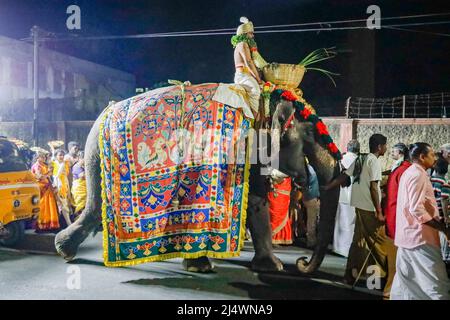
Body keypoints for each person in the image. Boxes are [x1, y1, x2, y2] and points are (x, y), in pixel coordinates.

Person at [391, 143, 450, 300]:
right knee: (436, 284)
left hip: (407, 236)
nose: (434, 157)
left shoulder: (409, 172)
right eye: (431, 154)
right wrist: (442, 227)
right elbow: (416, 209)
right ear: (422, 157)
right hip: (420, 238)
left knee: (405, 284)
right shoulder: (418, 175)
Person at [345, 134, 396, 298]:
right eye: (386, 146)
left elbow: (345, 175)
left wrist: (330, 186)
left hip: (359, 205)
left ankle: (352, 274)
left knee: (359, 239)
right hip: (369, 207)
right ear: (380, 146)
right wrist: (379, 211)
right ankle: (389, 280)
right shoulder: (373, 161)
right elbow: (374, 187)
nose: (387, 149)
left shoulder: (361, 157)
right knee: (381, 242)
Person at [332, 139, 360, 257]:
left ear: (347, 148)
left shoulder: (341, 159)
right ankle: (348, 249)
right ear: (358, 149)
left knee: (340, 221)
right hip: (354, 195)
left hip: (342, 194)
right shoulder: (358, 160)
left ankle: (337, 247)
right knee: (351, 223)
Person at [232, 17, 263, 120]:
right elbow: (249, 63)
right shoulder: (243, 44)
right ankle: (252, 120)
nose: (252, 36)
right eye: (250, 33)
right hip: (243, 76)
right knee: (256, 90)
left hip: (245, 75)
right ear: (245, 34)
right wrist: (258, 79)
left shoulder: (241, 45)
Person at [384, 143, 411, 240]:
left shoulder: (403, 168)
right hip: (393, 202)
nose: (391, 153)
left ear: (399, 152)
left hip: (397, 203)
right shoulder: (399, 166)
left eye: (393, 151)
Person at [31, 149, 60, 231]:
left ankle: (49, 224)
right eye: (42, 157)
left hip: (47, 186)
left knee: (50, 205)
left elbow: (48, 177)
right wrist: (49, 173)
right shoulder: (37, 166)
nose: (44, 158)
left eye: (44, 157)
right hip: (41, 188)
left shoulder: (44, 165)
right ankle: (42, 225)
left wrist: (52, 184)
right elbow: (40, 177)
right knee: (43, 206)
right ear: (37, 157)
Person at [430, 157, 450, 262]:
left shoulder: (430, 180)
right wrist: (446, 216)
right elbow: (444, 200)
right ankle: (446, 257)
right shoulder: (444, 183)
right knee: (445, 234)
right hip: (441, 213)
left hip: (432, 213)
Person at [268, 177, 293, 245]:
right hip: (275, 191)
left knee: (282, 214)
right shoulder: (271, 167)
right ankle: (271, 237)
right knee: (273, 216)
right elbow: (265, 172)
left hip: (283, 193)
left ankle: (280, 238)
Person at [52, 149, 73, 228]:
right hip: (58, 184)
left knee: (65, 203)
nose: (61, 156)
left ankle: (66, 223)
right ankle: (68, 223)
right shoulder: (54, 163)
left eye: (62, 155)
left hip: (64, 183)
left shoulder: (65, 163)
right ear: (56, 156)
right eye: (59, 155)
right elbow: (56, 175)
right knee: (62, 203)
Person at [303, 163, 320, 248]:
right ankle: (311, 241)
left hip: (307, 196)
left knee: (311, 219)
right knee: (312, 220)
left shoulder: (307, 168)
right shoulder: (312, 169)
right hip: (312, 196)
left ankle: (311, 239)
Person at [71, 151, 87, 217]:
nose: (85, 161)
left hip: (85, 188)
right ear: (79, 158)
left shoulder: (83, 166)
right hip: (79, 189)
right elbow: (82, 175)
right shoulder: (76, 167)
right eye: (83, 159)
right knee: (79, 205)